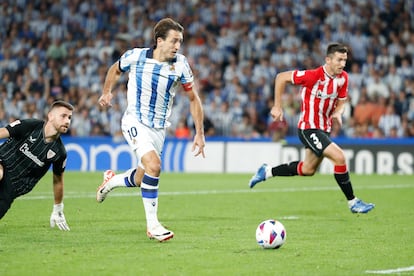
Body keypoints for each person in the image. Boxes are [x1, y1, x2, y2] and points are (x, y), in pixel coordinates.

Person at [97, 18, 206, 242]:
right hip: (134, 121)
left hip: (159, 130)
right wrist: (107, 91)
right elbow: (115, 70)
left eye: (180, 42)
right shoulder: (135, 56)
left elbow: (193, 99)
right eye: (174, 41)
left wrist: (200, 132)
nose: (178, 46)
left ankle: (111, 181)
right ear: (159, 41)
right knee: (154, 166)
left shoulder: (181, 64)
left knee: (141, 178)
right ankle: (153, 225)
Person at [249, 43, 375, 214]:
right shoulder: (313, 76)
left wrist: (338, 112)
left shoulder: (343, 78)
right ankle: (353, 202)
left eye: (345, 60)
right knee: (339, 157)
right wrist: (278, 106)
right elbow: (281, 77)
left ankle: (267, 171)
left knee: (307, 170)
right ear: (328, 60)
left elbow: (342, 100)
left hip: (324, 129)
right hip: (308, 128)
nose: (343, 64)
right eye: (339, 60)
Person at [0, 100, 73, 230]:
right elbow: (2, 132)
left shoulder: (59, 152)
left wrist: (58, 208)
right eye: (63, 116)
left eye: (69, 117)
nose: (67, 121)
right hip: (3, 162)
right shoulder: (30, 125)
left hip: (16, 185)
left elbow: (58, 181)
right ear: (50, 116)